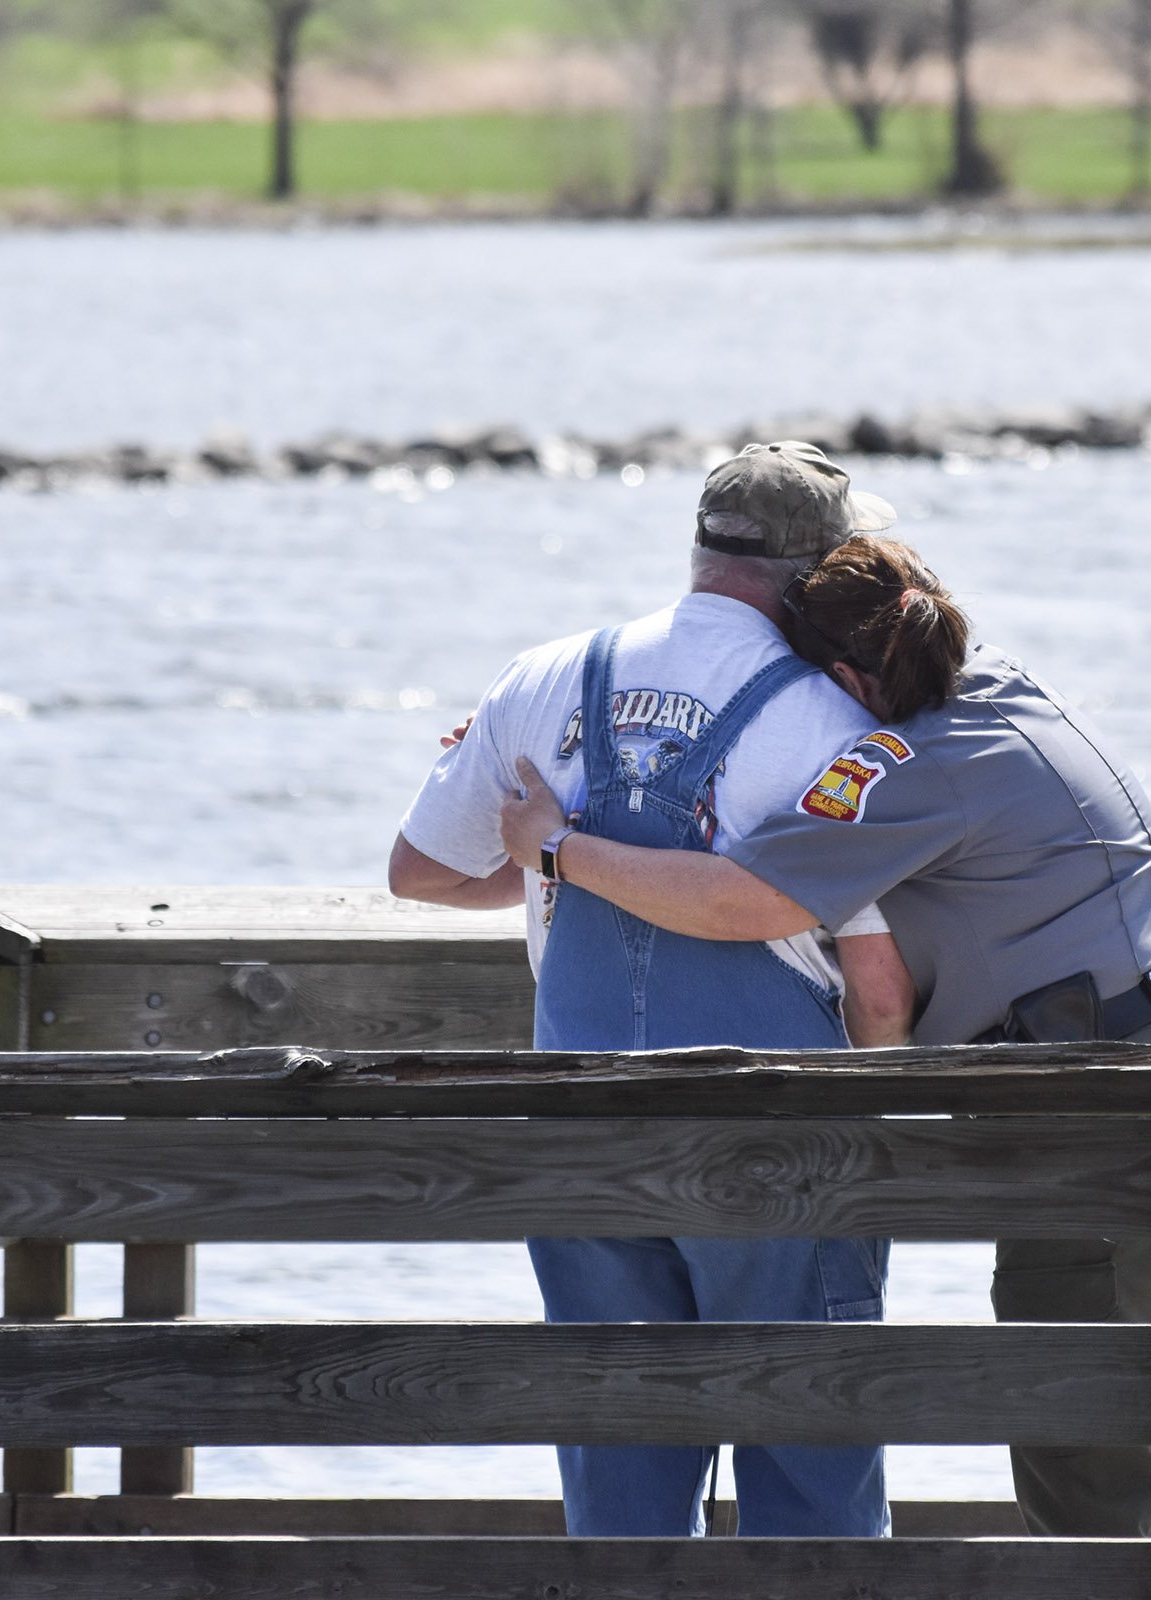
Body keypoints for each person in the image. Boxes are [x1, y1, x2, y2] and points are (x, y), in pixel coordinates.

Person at [496, 533, 1151, 1539]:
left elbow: (747, 898)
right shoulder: (996, 689)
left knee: (1093, 1438)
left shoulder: (904, 766)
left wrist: (556, 844)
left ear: (845, 677)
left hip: (1121, 1097)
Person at [386, 441, 916, 1538]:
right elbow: (876, 979)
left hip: (581, 1128)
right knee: (808, 1458)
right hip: (775, 1140)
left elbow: (421, 870)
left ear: (699, 551)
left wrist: (553, 855)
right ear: (822, 569)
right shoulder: (832, 724)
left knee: (619, 1470)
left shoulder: (543, 678)